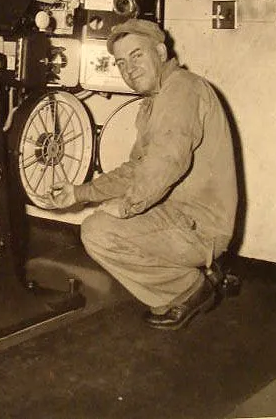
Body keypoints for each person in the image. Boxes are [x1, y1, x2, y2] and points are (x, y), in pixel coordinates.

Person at [37, 18, 238, 330]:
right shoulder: (156, 100)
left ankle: (189, 289)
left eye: (136, 55)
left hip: (199, 226)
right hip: (178, 218)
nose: (128, 68)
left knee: (98, 231)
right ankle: (197, 276)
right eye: (120, 62)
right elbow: (136, 170)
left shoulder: (182, 89)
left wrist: (127, 206)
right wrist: (79, 192)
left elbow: (168, 161)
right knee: (101, 225)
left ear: (160, 52)